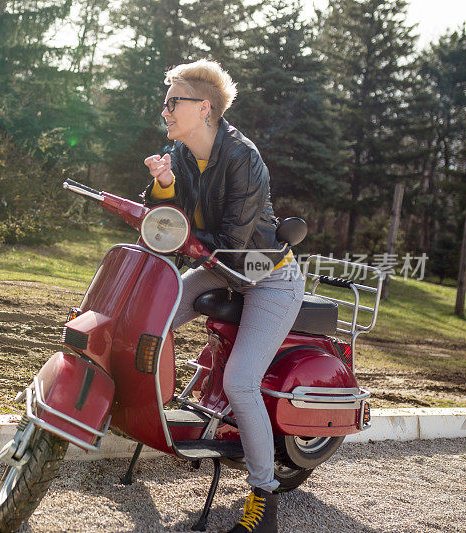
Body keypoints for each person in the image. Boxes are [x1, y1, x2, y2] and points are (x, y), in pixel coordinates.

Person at [143, 59, 305, 533]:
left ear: (205, 107)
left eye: (175, 101)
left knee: (239, 382)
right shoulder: (182, 154)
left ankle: (264, 498)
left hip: (266, 273)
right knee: (150, 324)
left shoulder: (242, 157)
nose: (166, 110)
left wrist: (183, 229)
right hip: (220, 266)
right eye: (165, 101)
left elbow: (232, 236)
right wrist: (166, 185)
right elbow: (162, 219)